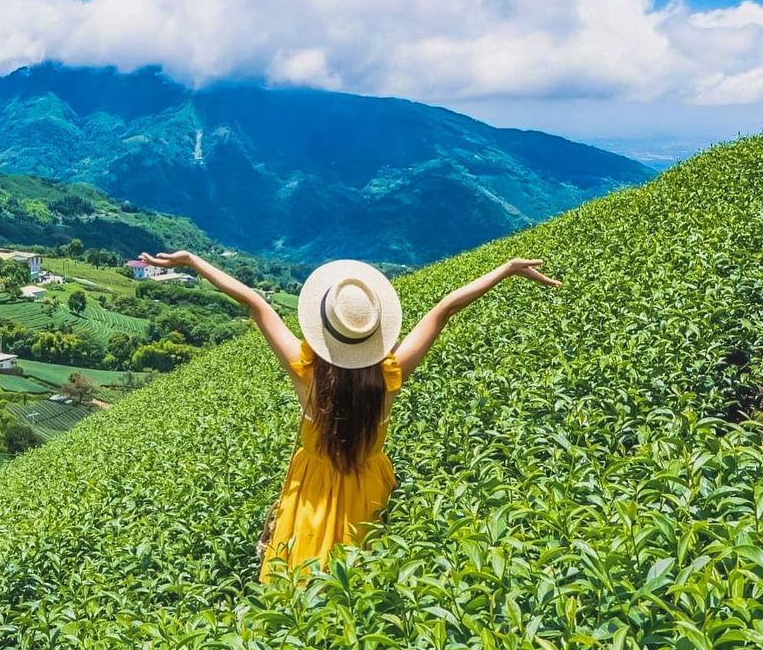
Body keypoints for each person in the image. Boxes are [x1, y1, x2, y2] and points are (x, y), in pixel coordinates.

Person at [139, 249, 561, 581]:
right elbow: (443, 310)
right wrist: (506, 269)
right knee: (359, 577)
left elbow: (254, 303)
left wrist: (193, 262)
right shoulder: (388, 376)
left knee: (296, 578)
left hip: (312, 492)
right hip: (368, 486)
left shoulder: (307, 375)